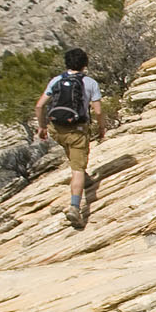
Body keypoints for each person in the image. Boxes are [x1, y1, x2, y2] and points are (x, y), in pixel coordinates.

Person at [33, 47, 104, 229]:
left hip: (56, 128)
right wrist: (101, 129)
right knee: (77, 169)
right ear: (85, 64)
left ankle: (84, 177)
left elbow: (40, 106)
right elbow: (98, 111)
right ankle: (75, 207)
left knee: (70, 150)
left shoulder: (56, 80)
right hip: (77, 129)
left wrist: (41, 127)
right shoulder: (90, 83)